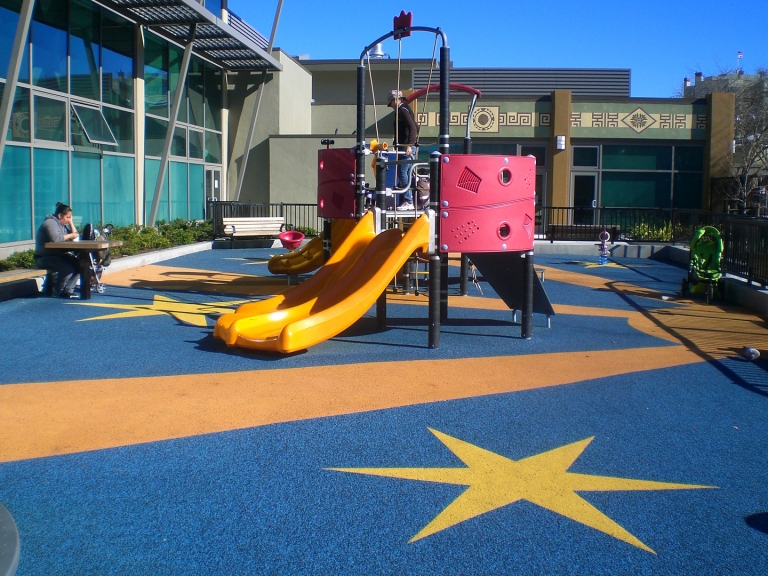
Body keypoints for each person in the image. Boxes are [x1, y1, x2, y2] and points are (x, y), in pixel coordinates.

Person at [34, 202, 81, 298]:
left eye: (70, 217)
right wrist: (71, 235)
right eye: (67, 217)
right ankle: (58, 291)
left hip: (57, 256)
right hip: (44, 257)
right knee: (68, 269)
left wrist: (71, 223)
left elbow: (75, 237)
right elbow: (56, 239)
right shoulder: (50, 223)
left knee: (80, 265)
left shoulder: (61, 225)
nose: (68, 220)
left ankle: (68, 291)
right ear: (60, 215)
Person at [387, 89, 418, 209]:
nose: (391, 107)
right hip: (406, 146)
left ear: (395, 100)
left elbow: (413, 127)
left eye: (391, 104)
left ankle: (408, 200)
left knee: (402, 172)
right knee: (407, 173)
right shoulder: (405, 109)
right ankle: (408, 200)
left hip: (406, 147)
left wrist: (409, 145)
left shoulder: (402, 110)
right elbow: (416, 126)